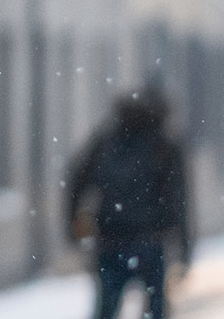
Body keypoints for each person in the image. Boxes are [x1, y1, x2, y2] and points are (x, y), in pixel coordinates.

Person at [66, 88, 191, 319]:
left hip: (110, 240)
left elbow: (76, 179)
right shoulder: (162, 144)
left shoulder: (107, 139)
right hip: (150, 241)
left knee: (105, 309)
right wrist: (184, 250)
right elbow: (179, 200)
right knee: (156, 310)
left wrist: (73, 228)